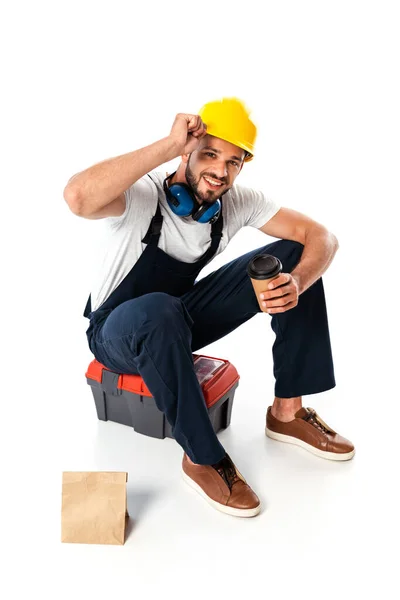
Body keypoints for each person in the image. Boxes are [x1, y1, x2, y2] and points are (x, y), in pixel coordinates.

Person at [64, 97, 355, 519]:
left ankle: (287, 413)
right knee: (158, 310)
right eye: (210, 154)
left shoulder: (234, 203)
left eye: (233, 161)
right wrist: (168, 145)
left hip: (176, 321)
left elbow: (321, 236)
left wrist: (297, 282)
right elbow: (77, 197)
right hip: (116, 335)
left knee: (292, 255)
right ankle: (202, 457)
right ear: (189, 150)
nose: (220, 170)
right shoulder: (143, 196)